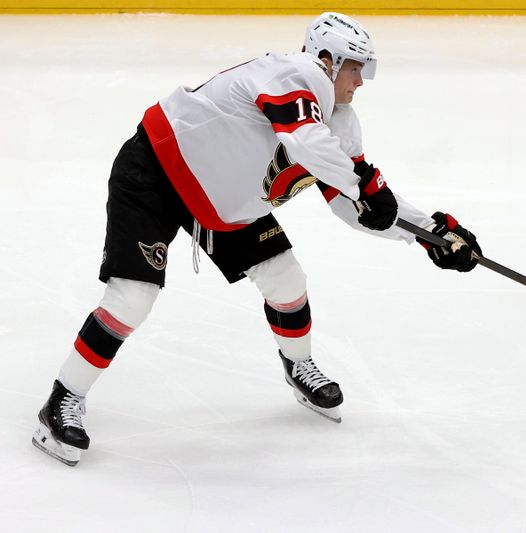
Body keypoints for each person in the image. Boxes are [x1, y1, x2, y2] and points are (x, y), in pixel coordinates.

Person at [32, 12, 482, 467]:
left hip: (224, 202)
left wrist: (431, 234)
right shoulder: (294, 73)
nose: (362, 81)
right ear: (328, 59)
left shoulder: (340, 128)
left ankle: (298, 366)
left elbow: (356, 206)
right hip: (156, 172)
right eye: (356, 68)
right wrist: (363, 182)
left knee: (287, 281)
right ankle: (63, 399)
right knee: (132, 298)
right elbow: (308, 144)